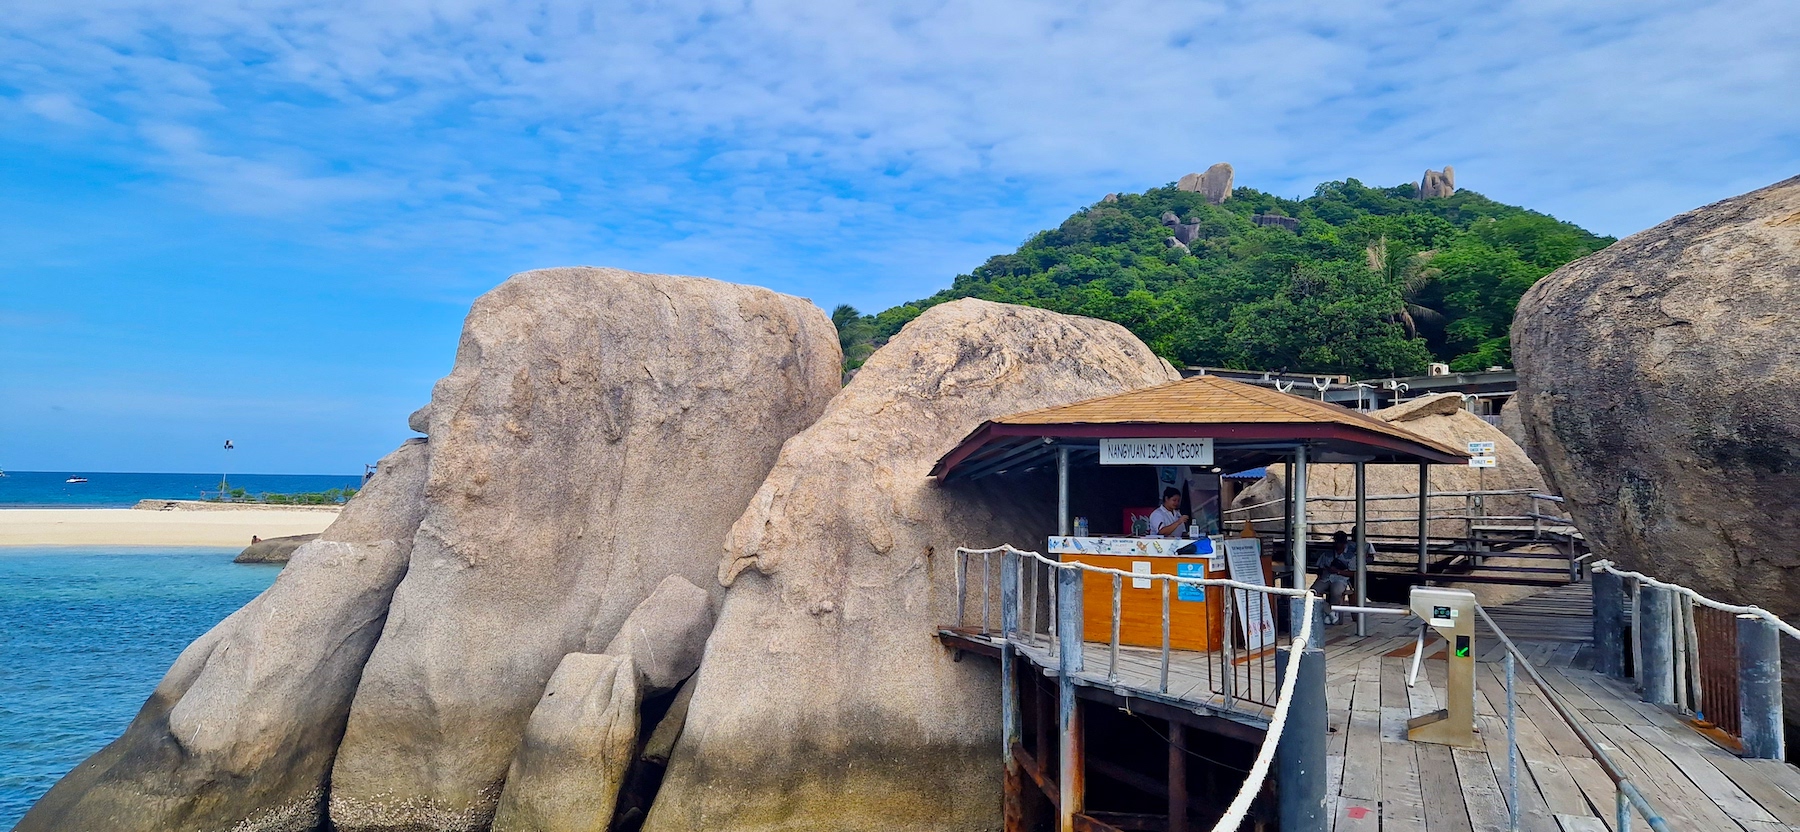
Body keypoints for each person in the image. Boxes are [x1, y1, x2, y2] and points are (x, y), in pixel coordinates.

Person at [1312, 530, 1358, 624]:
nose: (1338, 544)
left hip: (1341, 579)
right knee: (1312, 593)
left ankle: (1331, 614)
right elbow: (1319, 568)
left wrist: (1338, 571)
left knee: (1336, 592)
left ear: (1345, 542)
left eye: (1340, 542)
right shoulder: (1327, 553)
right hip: (1326, 577)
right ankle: (1330, 613)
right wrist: (1323, 572)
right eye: (1337, 541)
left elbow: (1353, 573)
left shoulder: (1351, 556)